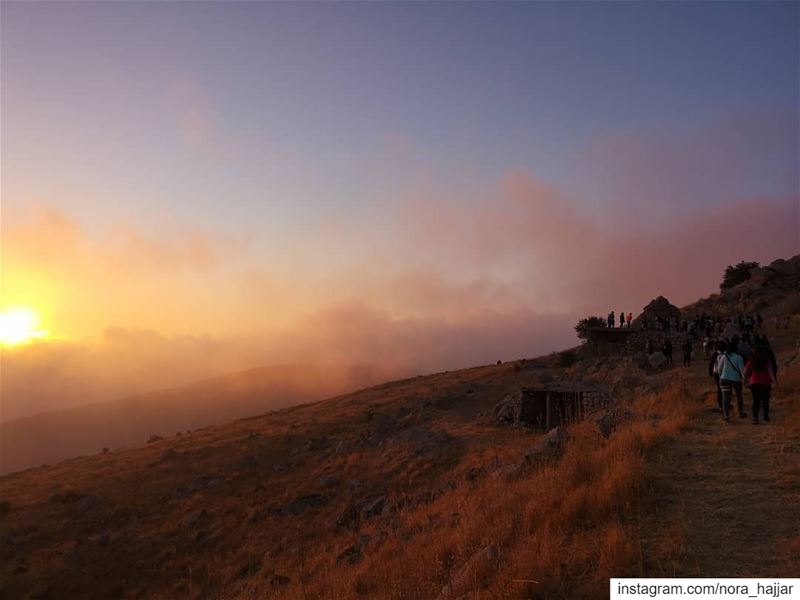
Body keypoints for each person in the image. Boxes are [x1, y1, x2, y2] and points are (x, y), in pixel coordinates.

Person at [715, 340, 746, 422]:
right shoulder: (739, 357)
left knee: (726, 397)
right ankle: (740, 413)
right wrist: (745, 380)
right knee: (739, 396)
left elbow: (719, 369)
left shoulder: (724, 357)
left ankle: (726, 416)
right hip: (736, 379)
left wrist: (722, 376)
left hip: (724, 379)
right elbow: (742, 371)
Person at [744, 345, 775, 424]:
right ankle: (766, 416)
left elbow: (745, 372)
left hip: (754, 382)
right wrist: (774, 381)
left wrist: (745, 380)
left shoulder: (751, 361)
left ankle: (755, 417)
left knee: (756, 400)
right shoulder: (766, 360)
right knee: (765, 400)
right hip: (765, 382)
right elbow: (770, 371)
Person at [708, 341, 723, 412]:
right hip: (723, 373)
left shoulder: (715, 354)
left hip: (717, 373)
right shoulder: (725, 354)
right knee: (723, 389)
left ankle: (721, 405)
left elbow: (711, 363)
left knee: (719, 388)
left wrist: (710, 372)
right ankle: (723, 403)